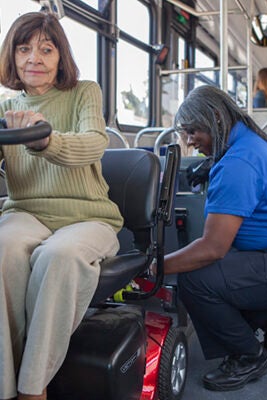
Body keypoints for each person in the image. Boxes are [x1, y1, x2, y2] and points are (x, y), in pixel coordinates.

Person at [163, 85, 267, 392]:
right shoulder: (249, 144)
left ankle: (248, 356)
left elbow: (212, 248)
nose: (188, 141)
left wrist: (156, 265)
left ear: (214, 117)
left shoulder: (238, 162)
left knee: (197, 279)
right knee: (221, 271)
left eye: (192, 130)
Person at [0, 12, 123, 400]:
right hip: (26, 211)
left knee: (60, 254)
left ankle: (33, 388)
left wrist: (44, 141)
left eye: (45, 49)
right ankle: (4, 384)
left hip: (87, 215)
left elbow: (93, 143)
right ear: (13, 56)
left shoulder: (84, 92)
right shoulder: (5, 107)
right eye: (24, 49)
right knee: (3, 250)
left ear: (60, 57)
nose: (33, 58)